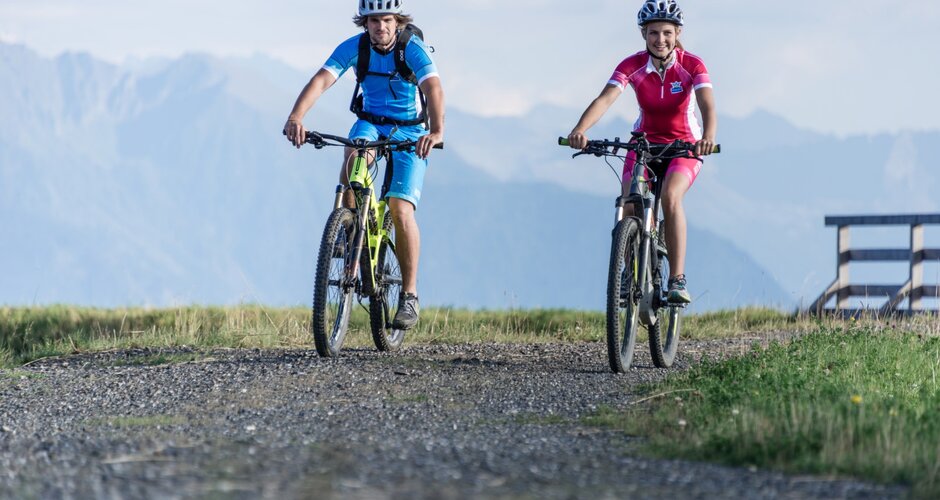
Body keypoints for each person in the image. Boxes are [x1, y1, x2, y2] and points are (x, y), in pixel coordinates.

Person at [284, 0, 445, 329]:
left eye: (386, 20)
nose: (380, 27)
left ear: (397, 20)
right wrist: (296, 116)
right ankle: (349, 228)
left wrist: (436, 130)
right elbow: (321, 80)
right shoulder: (355, 47)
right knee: (354, 160)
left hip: (411, 131)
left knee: (401, 210)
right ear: (365, 22)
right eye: (373, 21)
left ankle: (410, 296)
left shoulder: (412, 49)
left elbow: (433, 87)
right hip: (370, 123)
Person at [566, 0, 716, 304]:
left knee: (670, 198)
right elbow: (605, 99)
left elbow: (707, 104)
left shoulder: (692, 65)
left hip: (684, 146)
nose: (660, 40)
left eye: (666, 33)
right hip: (644, 144)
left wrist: (708, 137)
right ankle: (630, 268)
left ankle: (677, 279)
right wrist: (580, 130)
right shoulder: (631, 65)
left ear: (677, 33)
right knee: (629, 202)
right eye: (652, 33)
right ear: (643, 34)